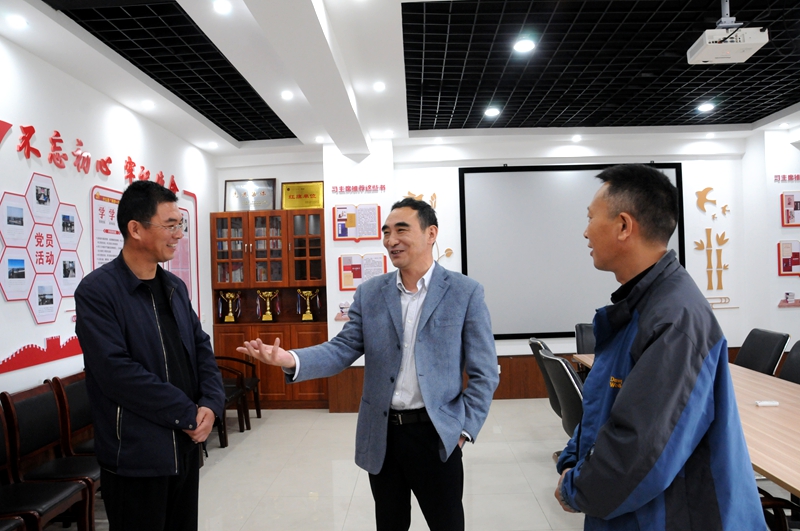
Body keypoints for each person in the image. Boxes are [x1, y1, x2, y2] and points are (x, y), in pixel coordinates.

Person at [238, 197, 499, 531]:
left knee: (447, 523)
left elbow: (484, 372)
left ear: (431, 233)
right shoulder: (371, 293)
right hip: (383, 435)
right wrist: (290, 358)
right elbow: (342, 348)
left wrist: (463, 430)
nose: (391, 240)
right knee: (389, 524)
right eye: (386, 232)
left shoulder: (465, 292)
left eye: (401, 230)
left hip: (436, 435)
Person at [554, 164, 765, 530]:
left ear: (624, 226)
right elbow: (605, 410)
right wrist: (574, 461)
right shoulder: (641, 307)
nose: (585, 232)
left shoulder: (674, 318)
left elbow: (641, 451)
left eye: (590, 218)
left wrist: (577, 488)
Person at [75, 180, 225, 531]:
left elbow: (200, 347)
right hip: (136, 457)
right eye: (170, 225)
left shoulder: (174, 287)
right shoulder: (98, 292)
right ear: (136, 229)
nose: (179, 234)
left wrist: (211, 403)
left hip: (184, 449)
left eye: (180, 224)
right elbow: (116, 373)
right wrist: (186, 413)